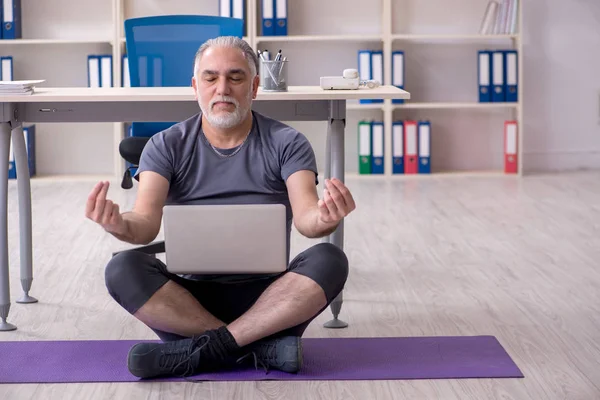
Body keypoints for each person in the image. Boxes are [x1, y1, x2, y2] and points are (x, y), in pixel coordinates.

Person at [85, 36, 356, 379]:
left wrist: (325, 217)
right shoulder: (165, 145)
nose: (222, 88)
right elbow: (144, 224)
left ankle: (200, 351)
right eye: (211, 78)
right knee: (121, 269)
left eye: (236, 77)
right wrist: (118, 224)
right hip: (188, 300)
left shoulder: (287, 142)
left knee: (330, 259)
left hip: (271, 301)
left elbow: (307, 219)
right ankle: (258, 349)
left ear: (255, 86)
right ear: (195, 86)